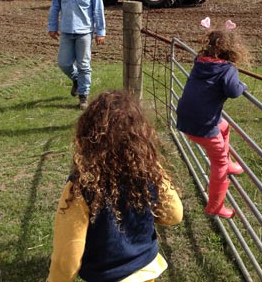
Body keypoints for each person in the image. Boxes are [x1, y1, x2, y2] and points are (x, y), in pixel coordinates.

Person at [47, 90, 183, 282]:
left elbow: (68, 252)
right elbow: (174, 215)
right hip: (146, 271)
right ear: (140, 136)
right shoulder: (149, 172)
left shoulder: (80, 186)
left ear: (87, 136)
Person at [176, 19, 250, 219]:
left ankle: (227, 161)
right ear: (233, 50)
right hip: (203, 125)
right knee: (217, 164)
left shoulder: (200, 62)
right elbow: (234, 91)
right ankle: (215, 206)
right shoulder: (227, 69)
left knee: (224, 126)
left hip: (185, 118)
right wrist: (242, 86)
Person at [48, 0, 106, 110]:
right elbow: (55, 7)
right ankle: (76, 80)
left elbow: (98, 9)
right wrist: (52, 26)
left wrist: (100, 32)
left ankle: (83, 97)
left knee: (84, 65)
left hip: (85, 32)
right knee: (63, 63)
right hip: (66, 31)